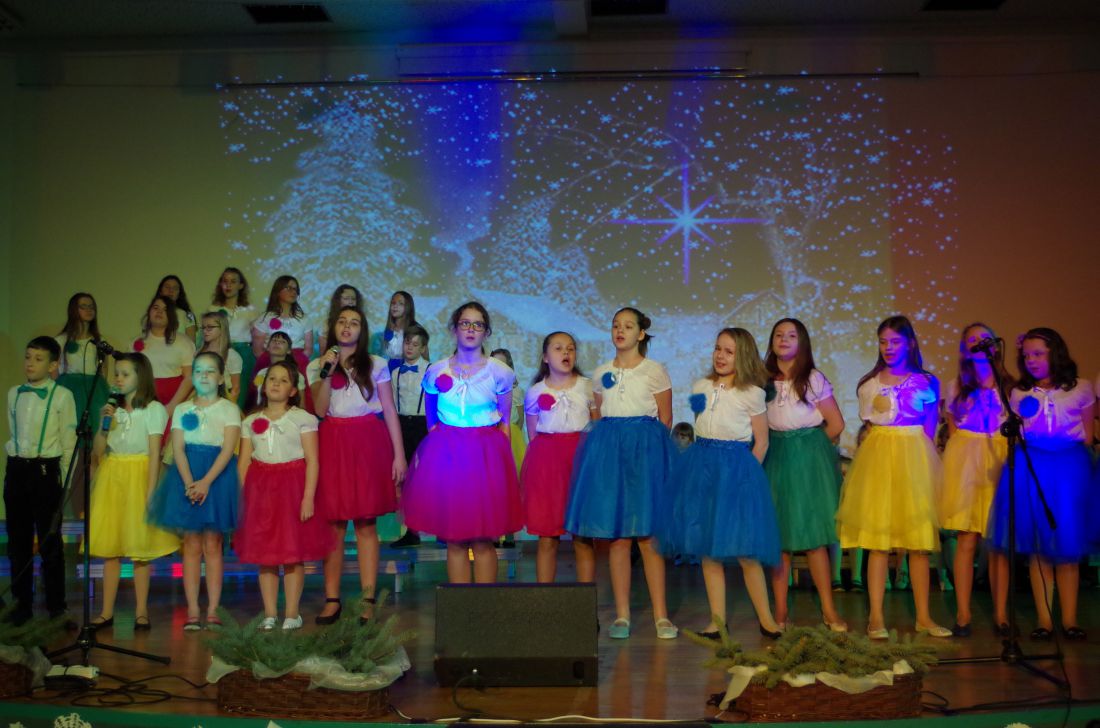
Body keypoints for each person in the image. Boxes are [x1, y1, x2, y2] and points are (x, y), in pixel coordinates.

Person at [564, 307, 677, 640]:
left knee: (648, 536)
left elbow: (666, 418)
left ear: (641, 334)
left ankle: (661, 616)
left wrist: (652, 456)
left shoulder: (655, 371)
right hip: (611, 454)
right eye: (616, 325)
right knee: (618, 536)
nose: (620, 331)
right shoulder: (601, 373)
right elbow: (600, 418)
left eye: (628, 326)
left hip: (645, 454)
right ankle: (623, 615)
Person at [835, 315, 951, 638]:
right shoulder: (869, 384)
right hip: (880, 459)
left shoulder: (926, 382)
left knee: (918, 542)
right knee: (878, 542)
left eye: (895, 341)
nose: (888, 347)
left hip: (915, 457)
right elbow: (870, 424)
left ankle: (924, 617)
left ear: (910, 343)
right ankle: (876, 618)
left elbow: (929, 429)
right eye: (883, 341)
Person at [665, 328, 784, 640]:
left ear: (742, 356)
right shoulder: (701, 386)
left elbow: (762, 442)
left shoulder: (752, 393)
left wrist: (745, 479)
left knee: (746, 551)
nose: (720, 355)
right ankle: (717, 621)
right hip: (704, 467)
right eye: (718, 348)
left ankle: (767, 619)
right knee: (709, 550)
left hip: (736, 470)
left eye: (729, 351)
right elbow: (702, 425)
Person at [401, 302, 522, 584]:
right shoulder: (437, 370)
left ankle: (484, 602)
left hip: (484, 454)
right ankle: (459, 604)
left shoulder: (499, 372)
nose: (471, 329)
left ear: (486, 332)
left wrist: (495, 455)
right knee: (454, 538)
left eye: (478, 324)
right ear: (454, 329)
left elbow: (504, 420)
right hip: (449, 454)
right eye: (465, 323)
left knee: (483, 538)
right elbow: (431, 420)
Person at [986, 328, 1095, 641]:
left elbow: (1088, 435)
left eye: (1038, 354)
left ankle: (1070, 619)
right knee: (1038, 546)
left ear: (1055, 353)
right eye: (1027, 355)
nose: (1031, 360)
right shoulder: (1020, 393)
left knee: (1067, 545)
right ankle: (1044, 619)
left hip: (1068, 468)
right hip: (1031, 466)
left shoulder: (1081, 388)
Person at [309, 307, 406, 624]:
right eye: (342, 322)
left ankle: (367, 599)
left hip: (367, 442)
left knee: (366, 524)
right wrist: (326, 372)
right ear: (333, 328)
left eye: (354, 323)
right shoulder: (319, 365)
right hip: (333, 442)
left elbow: (389, 410)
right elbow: (320, 410)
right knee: (334, 524)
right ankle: (332, 599)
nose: (347, 327)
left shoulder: (376, 364)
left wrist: (399, 455)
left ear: (362, 330)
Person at [763, 319, 847, 631]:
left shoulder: (812, 378)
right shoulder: (762, 380)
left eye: (791, 335)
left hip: (807, 461)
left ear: (802, 342)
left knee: (814, 539)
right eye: (778, 335)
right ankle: (780, 612)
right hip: (776, 457)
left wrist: (809, 449)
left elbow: (836, 424)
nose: (783, 339)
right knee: (779, 539)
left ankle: (829, 610)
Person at [147, 352, 241, 631]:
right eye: (198, 370)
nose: (203, 375)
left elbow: (228, 450)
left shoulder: (229, 409)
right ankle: (192, 609)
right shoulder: (182, 409)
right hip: (186, 475)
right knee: (190, 545)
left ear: (221, 378)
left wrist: (205, 482)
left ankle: (213, 609)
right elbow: (177, 449)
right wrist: (190, 483)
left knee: (213, 544)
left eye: (210, 371)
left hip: (217, 477)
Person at [87, 353, 180, 630]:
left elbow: (154, 452)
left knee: (140, 550)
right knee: (111, 548)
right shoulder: (111, 409)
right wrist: (103, 426)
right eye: (117, 373)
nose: (118, 378)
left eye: (125, 374)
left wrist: (151, 491)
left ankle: (141, 610)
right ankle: (106, 611)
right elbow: (98, 451)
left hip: (139, 475)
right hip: (113, 474)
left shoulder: (153, 409)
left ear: (141, 376)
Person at [237, 360, 331, 630]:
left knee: (292, 553)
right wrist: (241, 499)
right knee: (265, 555)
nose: (276, 383)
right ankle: (269, 613)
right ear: (263, 385)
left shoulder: (303, 419)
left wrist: (308, 497)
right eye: (272, 379)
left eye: (283, 380)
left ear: (292, 390)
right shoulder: (251, 421)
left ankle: (292, 613)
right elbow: (244, 463)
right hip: (261, 491)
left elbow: (313, 460)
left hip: (292, 489)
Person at [939, 323, 1012, 637]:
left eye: (984, 338)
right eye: (972, 340)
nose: (978, 344)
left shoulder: (1009, 387)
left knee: (997, 543)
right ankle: (963, 613)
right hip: (967, 462)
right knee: (967, 538)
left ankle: (1001, 613)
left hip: (999, 458)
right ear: (964, 349)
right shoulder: (956, 386)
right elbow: (954, 431)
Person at [4, 337, 77, 625]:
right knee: (18, 542)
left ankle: (57, 607)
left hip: (45, 472)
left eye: (38, 359)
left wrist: (64, 483)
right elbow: (15, 432)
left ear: (53, 365)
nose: (30, 363)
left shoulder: (62, 396)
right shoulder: (14, 393)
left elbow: (68, 441)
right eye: (28, 357)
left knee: (50, 542)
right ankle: (21, 605)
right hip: (17, 470)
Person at [521, 332, 595, 582]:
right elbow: (533, 434)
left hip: (581, 459)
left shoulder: (587, 386)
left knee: (582, 536)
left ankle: (586, 596)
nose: (566, 353)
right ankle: (544, 597)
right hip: (547, 463)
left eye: (570, 348)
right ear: (545, 357)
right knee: (547, 536)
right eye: (558, 348)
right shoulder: (535, 391)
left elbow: (597, 427)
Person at [387, 323, 431, 549]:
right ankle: (411, 531)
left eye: (415, 344)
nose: (410, 347)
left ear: (423, 348)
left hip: (424, 426)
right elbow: (392, 405)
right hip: (402, 425)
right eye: (407, 343)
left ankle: (442, 527)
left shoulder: (431, 370)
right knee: (405, 480)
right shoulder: (395, 373)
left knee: (428, 478)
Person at [208, 267, 257, 409]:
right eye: (225, 281)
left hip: (244, 353)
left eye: (233, 281)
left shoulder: (250, 310)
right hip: (220, 352)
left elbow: (257, 336)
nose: (228, 285)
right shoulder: (213, 309)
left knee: (240, 393)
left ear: (241, 285)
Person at [198, 311, 244, 403]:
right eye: (203, 327)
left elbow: (235, 388)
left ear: (222, 328)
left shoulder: (231, 355)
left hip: (223, 400)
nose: (205, 331)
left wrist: (230, 406)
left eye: (210, 327)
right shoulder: (198, 353)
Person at [370, 290, 417, 360]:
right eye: (393, 303)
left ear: (408, 307)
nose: (395, 306)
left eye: (401, 303)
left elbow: (424, 361)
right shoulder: (380, 336)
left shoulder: (416, 332)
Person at [153, 275, 198, 343]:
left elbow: (191, 343)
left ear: (179, 293)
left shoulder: (188, 315)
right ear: (160, 291)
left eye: (175, 288)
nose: (171, 290)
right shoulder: (153, 313)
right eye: (167, 287)